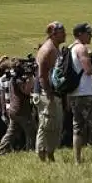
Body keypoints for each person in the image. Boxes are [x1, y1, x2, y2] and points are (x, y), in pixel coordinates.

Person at [68, 22, 92, 164]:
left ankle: (77, 160)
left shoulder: (69, 48)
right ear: (80, 34)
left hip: (73, 93)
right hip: (86, 93)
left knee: (77, 127)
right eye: (89, 33)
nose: (91, 35)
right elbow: (88, 70)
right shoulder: (82, 48)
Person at [35, 21, 66, 162]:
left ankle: (50, 151)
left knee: (55, 125)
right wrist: (48, 93)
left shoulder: (55, 48)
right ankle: (42, 152)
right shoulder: (47, 49)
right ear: (54, 34)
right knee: (46, 124)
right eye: (62, 32)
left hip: (55, 92)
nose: (65, 34)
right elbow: (41, 75)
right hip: (47, 93)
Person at [0, 59, 36, 154]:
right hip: (21, 110)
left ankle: (0, 150)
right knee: (31, 131)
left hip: (13, 110)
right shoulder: (18, 80)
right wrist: (30, 76)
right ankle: (31, 150)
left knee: (11, 132)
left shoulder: (12, 78)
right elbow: (26, 91)